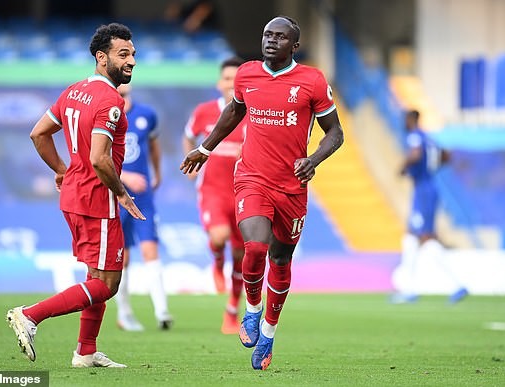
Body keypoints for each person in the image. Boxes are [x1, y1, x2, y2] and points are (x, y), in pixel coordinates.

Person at [180, 16, 344, 370]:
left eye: (280, 37)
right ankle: (252, 310)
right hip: (252, 178)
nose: (271, 41)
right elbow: (234, 111)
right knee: (254, 246)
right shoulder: (247, 74)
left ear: (294, 46)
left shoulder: (312, 80)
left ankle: (269, 331)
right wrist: (205, 149)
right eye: (267, 34)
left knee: (281, 260)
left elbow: (335, 133)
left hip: (293, 187)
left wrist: (313, 159)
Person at [6, 23, 143, 367]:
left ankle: (85, 350)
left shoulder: (74, 91)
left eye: (133, 55)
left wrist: (62, 170)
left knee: (96, 274)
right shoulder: (110, 100)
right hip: (98, 198)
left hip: (74, 194)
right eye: (123, 54)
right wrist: (122, 193)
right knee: (108, 283)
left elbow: (39, 134)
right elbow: (99, 158)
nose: (131, 62)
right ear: (101, 58)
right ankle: (30, 315)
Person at [182, 56, 246, 335]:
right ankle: (218, 263)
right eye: (228, 79)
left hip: (244, 190)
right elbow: (188, 136)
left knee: (243, 254)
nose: (232, 84)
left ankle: (231, 312)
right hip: (213, 190)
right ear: (220, 83)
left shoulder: (253, 114)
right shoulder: (205, 111)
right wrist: (192, 164)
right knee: (219, 236)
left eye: (237, 80)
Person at [391, 110, 468, 304]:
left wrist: (403, 167)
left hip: (424, 190)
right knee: (414, 237)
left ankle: (453, 285)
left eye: (406, 119)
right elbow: (447, 156)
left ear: (411, 119)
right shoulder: (429, 138)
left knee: (420, 237)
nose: (405, 123)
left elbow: (415, 154)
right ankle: (411, 288)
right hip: (428, 187)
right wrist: (431, 168)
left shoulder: (415, 135)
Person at [115, 83, 173, 331]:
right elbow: (97, 157)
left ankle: (162, 312)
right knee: (123, 257)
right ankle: (124, 313)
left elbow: (154, 148)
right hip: (117, 196)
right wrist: (126, 178)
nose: (123, 99)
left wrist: (156, 173)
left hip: (144, 197)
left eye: (126, 94)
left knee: (151, 249)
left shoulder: (146, 115)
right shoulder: (105, 117)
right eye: (118, 95)